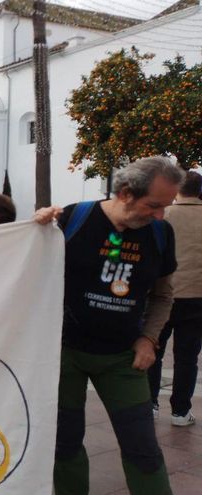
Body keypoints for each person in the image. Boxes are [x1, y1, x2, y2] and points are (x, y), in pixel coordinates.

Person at [35, 156, 183, 495]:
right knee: (65, 444)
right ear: (127, 193)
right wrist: (35, 228)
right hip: (64, 356)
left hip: (123, 358)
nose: (160, 214)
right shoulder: (74, 218)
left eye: (166, 207)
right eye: (154, 205)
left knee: (142, 447)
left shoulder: (160, 233)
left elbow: (163, 295)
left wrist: (148, 338)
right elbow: (26, 267)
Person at [148, 170, 202, 426]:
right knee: (187, 357)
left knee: (153, 351)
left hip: (163, 295)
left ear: (178, 189)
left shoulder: (163, 215)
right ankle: (181, 411)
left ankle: (150, 405)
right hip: (197, 296)